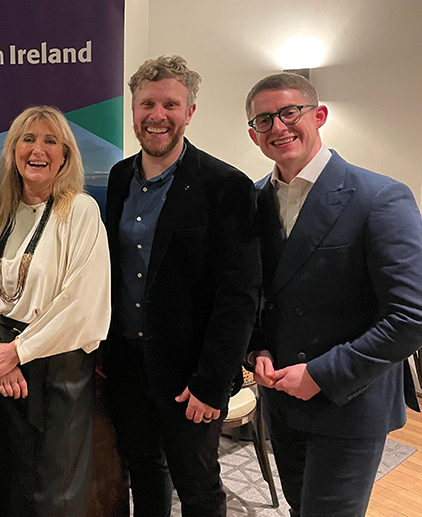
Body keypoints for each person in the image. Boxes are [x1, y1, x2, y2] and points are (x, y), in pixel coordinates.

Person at [245, 72, 422, 517]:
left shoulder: (380, 197)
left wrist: (322, 376)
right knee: (298, 507)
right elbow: (254, 293)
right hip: (280, 396)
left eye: (290, 113)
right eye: (264, 120)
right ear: (253, 135)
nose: (279, 127)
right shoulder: (251, 200)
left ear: (319, 115)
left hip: (348, 400)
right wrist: (258, 348)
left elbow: (413, 317)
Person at [102, 55, 260, 517]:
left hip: (191, 375)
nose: (157, 116)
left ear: (189, 112)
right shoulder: (117, 178)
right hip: (128, 365)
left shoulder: (225, 185)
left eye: (170, 104)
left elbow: (239, 294)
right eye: (147, 104)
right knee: (144, 472)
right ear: (132, 111)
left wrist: (212, 384)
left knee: (198, 486)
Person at [0, 105, 110, 516]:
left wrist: (19, 352)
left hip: (58, 366)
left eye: (51, 141)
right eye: (28, 139)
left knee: (56, 484)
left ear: (65, 155)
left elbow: (84, 302)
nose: (38, 149)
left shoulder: (80, 211)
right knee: (5, 477)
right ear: (13, 150)